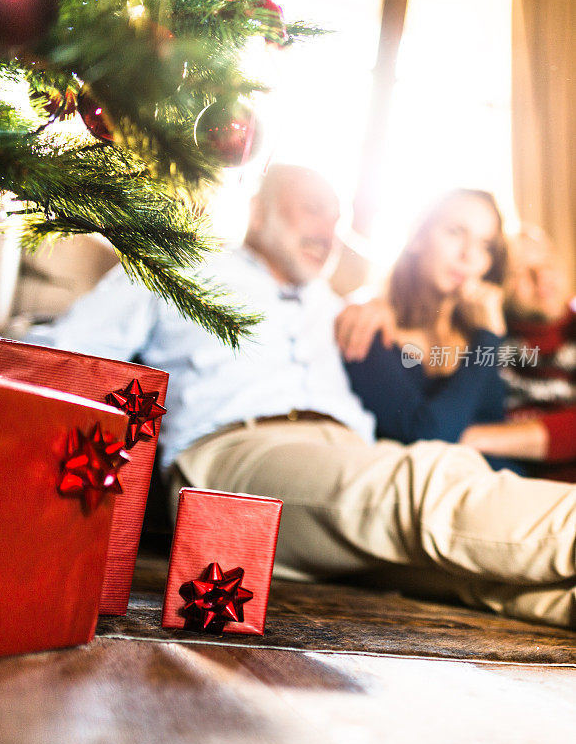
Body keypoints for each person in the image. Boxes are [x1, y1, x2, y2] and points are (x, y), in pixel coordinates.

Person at [28, 165, 576, 630]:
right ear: (257, 210)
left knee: (474, 570)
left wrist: (374, 310)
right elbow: (58, 354)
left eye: (335, 221)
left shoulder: (337, 307)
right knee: (426, 480)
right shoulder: (178, 269)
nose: (327, 230)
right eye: (312, 209)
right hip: (235, 458)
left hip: (346, 458)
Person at [338, 190, 510, 455]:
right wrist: (487, 337)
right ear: (417, 237)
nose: (469, 255)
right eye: (455, 232)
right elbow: (427, 434)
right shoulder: (372, 325)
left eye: (485, 246)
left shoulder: (486, 329)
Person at [460, 228, 575, 481]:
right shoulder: (482, 340)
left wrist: (479, 437)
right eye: (521, 270)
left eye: (547, 262)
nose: (541, 276)